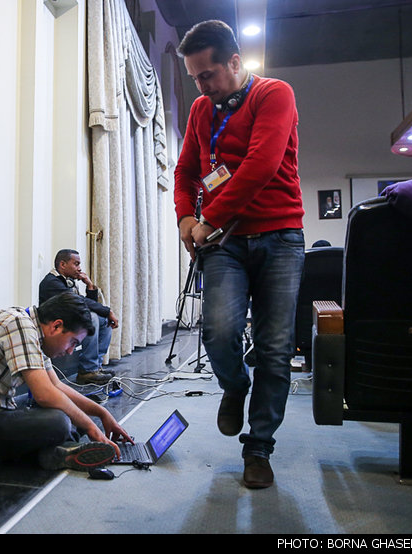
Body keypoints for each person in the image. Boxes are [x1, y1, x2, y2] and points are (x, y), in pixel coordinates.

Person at [173, 20, 305, 489]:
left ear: (234, 61)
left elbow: (260, 166)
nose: (202, 87)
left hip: (280, 237)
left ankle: (259, 448)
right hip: (224, 242)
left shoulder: (274, 94)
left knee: (274, 348)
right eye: (194, 78)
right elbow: (187, 171)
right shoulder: (201, 110)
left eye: (207, 75)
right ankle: (235, 385)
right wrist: (185, 218)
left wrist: (208, 218)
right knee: (218, 330)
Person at [0, 292, 133, 471]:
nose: (71, 351)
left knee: (73, 412)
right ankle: (50, 452)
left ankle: (53, 453)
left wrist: (101, 413)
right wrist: (91, 428)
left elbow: (57, 386)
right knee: (60, 422)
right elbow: (45, 395)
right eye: (72, 342)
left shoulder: (32, 330)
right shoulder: (18, 324)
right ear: (56, 326)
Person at [38, 249, 119, 385]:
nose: (79, 268)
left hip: (69, 321)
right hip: (56, 325)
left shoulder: (68, 281)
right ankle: (87, 370)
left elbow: (84, 306)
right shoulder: (52, 282)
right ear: (63, 264)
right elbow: (80, 302)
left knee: (104, 321)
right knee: (92, 318)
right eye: (76, 264)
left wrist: (90, 285)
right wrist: (107, 310)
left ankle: (95, 367)